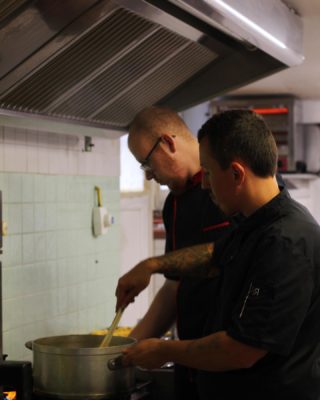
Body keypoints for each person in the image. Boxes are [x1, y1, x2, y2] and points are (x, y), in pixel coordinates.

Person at [116, 109, 320, 400]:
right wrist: (152, 265)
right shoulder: (251, 225)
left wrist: (163, 350)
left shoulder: (285, 243)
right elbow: (213, 256)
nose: (204, 184)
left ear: (237, 174)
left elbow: (242, 350)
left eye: (209, 173)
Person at [126, 106, 233, 400]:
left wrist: (151, 264)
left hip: (235, 365)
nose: (149, 177)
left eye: (147, 164)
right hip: (191, 364)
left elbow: (224, 258)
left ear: (169, 144)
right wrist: (126, 347)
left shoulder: (231, 190)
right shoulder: (174, 204)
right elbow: (175, 286)